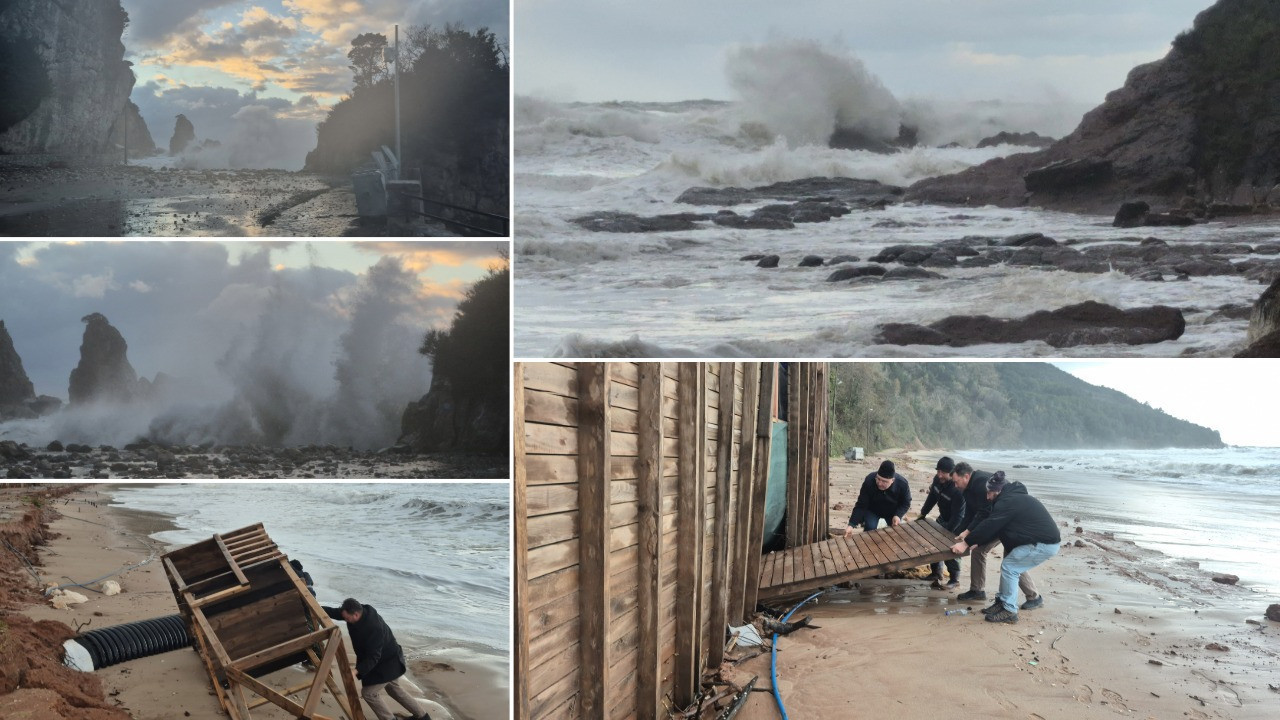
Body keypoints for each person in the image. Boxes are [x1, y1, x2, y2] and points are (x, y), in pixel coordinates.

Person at [950, 472, 1061, 623]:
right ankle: (1002, 603)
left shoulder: (1008, 502)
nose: (987, 497)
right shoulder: (1007, 499)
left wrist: (965, 543)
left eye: (989, 493)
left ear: (998, 491)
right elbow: (994, 525)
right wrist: (975, 541)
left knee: (1010, 567)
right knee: (1009, 564)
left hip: (1044, 543)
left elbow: (991, 524)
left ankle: (1009, 610)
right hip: (1030, 540)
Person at [950, 462, 1041, 608]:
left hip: (1006, 523)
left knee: (1011, 560)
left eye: (956, 481)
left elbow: (985, 512)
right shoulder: (967, 488)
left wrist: (968, 534)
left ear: (966, 476)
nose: (955, 485)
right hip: (995, 522)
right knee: (979, 551)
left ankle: (1034, 597)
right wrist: (958, 532)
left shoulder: (981, 484)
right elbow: (970, 513)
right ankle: (977, 590)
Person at [323, 598, 431, 720]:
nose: (346, 620)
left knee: (369, 693)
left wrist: (355, 671)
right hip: (383, 658)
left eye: (347, 619)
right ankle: (423, 716)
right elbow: (335, 612)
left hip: (388, 661)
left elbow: (374, 657)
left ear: (356, 614)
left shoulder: (373, 627)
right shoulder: (355, 612)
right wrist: (315, 607)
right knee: (394, 689)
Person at [918, 456, 965, 589]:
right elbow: (931, 498)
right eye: (938, 471)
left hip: (957, 522)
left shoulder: (957, 490)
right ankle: (936, 573)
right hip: (943, 517)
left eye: (943, 472)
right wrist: (923, 514)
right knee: (932, 541)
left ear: (952, 473)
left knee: (950, 548)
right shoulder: (937, 481)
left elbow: (958, 516)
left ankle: (954, 579)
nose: (939, 475)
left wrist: (947, 533)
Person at [843, 460, 912, 538]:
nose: (879, 483)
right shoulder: (869, 480)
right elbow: (861, 505)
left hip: (893, 512)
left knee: (896, 532)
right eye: (878, 479)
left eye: (884, 481)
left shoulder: (902, 484)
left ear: (892, 480)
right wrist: (851, 525)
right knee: (870, 529)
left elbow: (906, 502)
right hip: (873, 510)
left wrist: (898, 515)